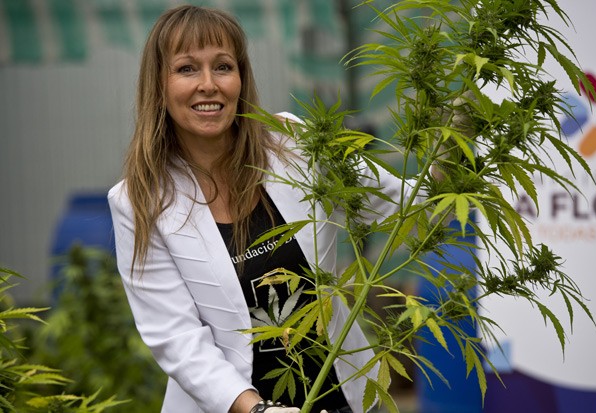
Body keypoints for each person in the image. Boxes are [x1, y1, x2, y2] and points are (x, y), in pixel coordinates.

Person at [108, 5, 426, 413]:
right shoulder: (140, 201)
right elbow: (178, 338)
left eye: (222, 66)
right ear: (159, 84)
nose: (209, 84)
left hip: (343, 393)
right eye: (187, 69)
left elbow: (392, 204)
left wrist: (446, 166)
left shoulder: (291, 142)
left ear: (240, 77)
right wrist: (255, 409)